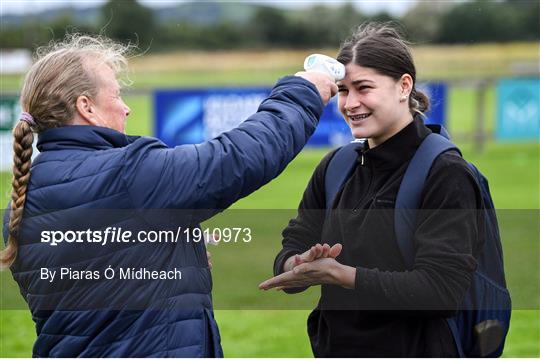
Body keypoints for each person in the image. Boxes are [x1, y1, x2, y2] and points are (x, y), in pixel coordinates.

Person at [0, 34, 337, 357]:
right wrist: (302, 91)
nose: (127, 108)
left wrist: (171, 260)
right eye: (117, 95)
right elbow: (238, 157)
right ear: (85, 106)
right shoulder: (128, 175)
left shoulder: (24, 197)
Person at [260, 23, 485, 357]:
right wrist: (296, 264)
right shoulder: (336, 165)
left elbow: (442, 290)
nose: (350, 103)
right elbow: (296, 240)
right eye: (343, 91)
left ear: (403, 86)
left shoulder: (445, 172)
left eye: (363, 88)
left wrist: (343, 275)